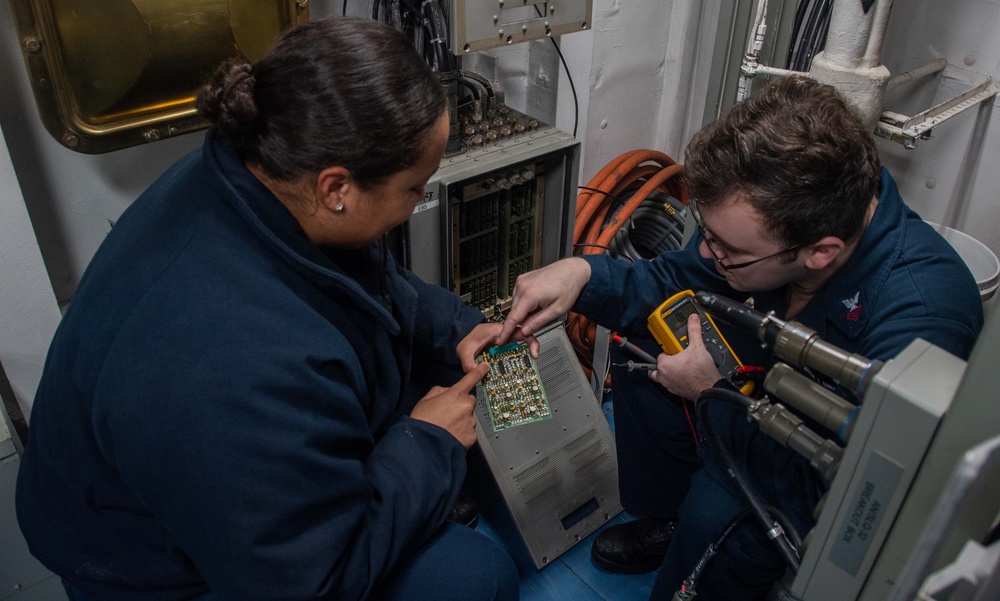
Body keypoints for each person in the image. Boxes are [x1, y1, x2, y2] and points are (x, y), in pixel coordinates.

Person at [16, 17, 524, 601]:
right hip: (161, 571)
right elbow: (311, 584)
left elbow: (373, 278)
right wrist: (427, 444)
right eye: (415, 187)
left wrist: (460, 327)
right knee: (474, 579)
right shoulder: (236, 365)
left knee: (461, 379)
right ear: (338, 189)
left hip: (241, 477)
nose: (416, 205)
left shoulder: (259, 173)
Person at [496, 75, 983, 600]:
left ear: (820, 251)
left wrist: (713, 394)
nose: (707, 255)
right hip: (753, 403)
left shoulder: (923, 314)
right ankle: (668, 521)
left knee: (717, 513)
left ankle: (701, 550)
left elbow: (838, 490)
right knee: (644, 349)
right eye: (706, 233)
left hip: (803, 477)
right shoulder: (774, 227)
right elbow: (670, 282)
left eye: (727, 249)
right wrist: (583, 274)